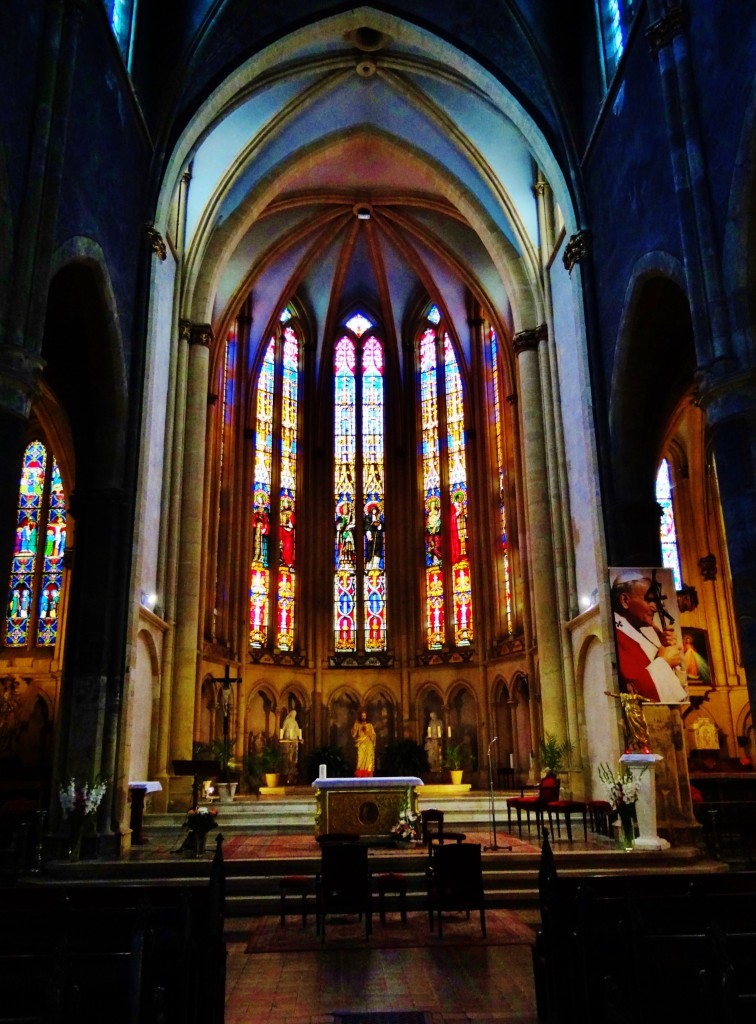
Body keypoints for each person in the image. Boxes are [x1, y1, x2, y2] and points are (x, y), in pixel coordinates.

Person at [610, 570, 687, 703]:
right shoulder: (617, 638)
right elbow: (633, 690)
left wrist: (665, 650)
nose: (655, 608)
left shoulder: (638, 635)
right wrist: (665, 661)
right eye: (649, 600)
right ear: (625, 601)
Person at [352, 710, 376, 777]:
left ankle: (368, 773)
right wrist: (355, 726)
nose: (363, 717)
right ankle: (360, 774)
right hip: (361, 744)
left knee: (368, 759)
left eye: (364, 716)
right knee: (360, 759)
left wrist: (367, 731)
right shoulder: (358, 725)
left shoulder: (370, 725)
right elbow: (354, 734)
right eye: (362, 716)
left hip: (368, 744)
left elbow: (373, 735)